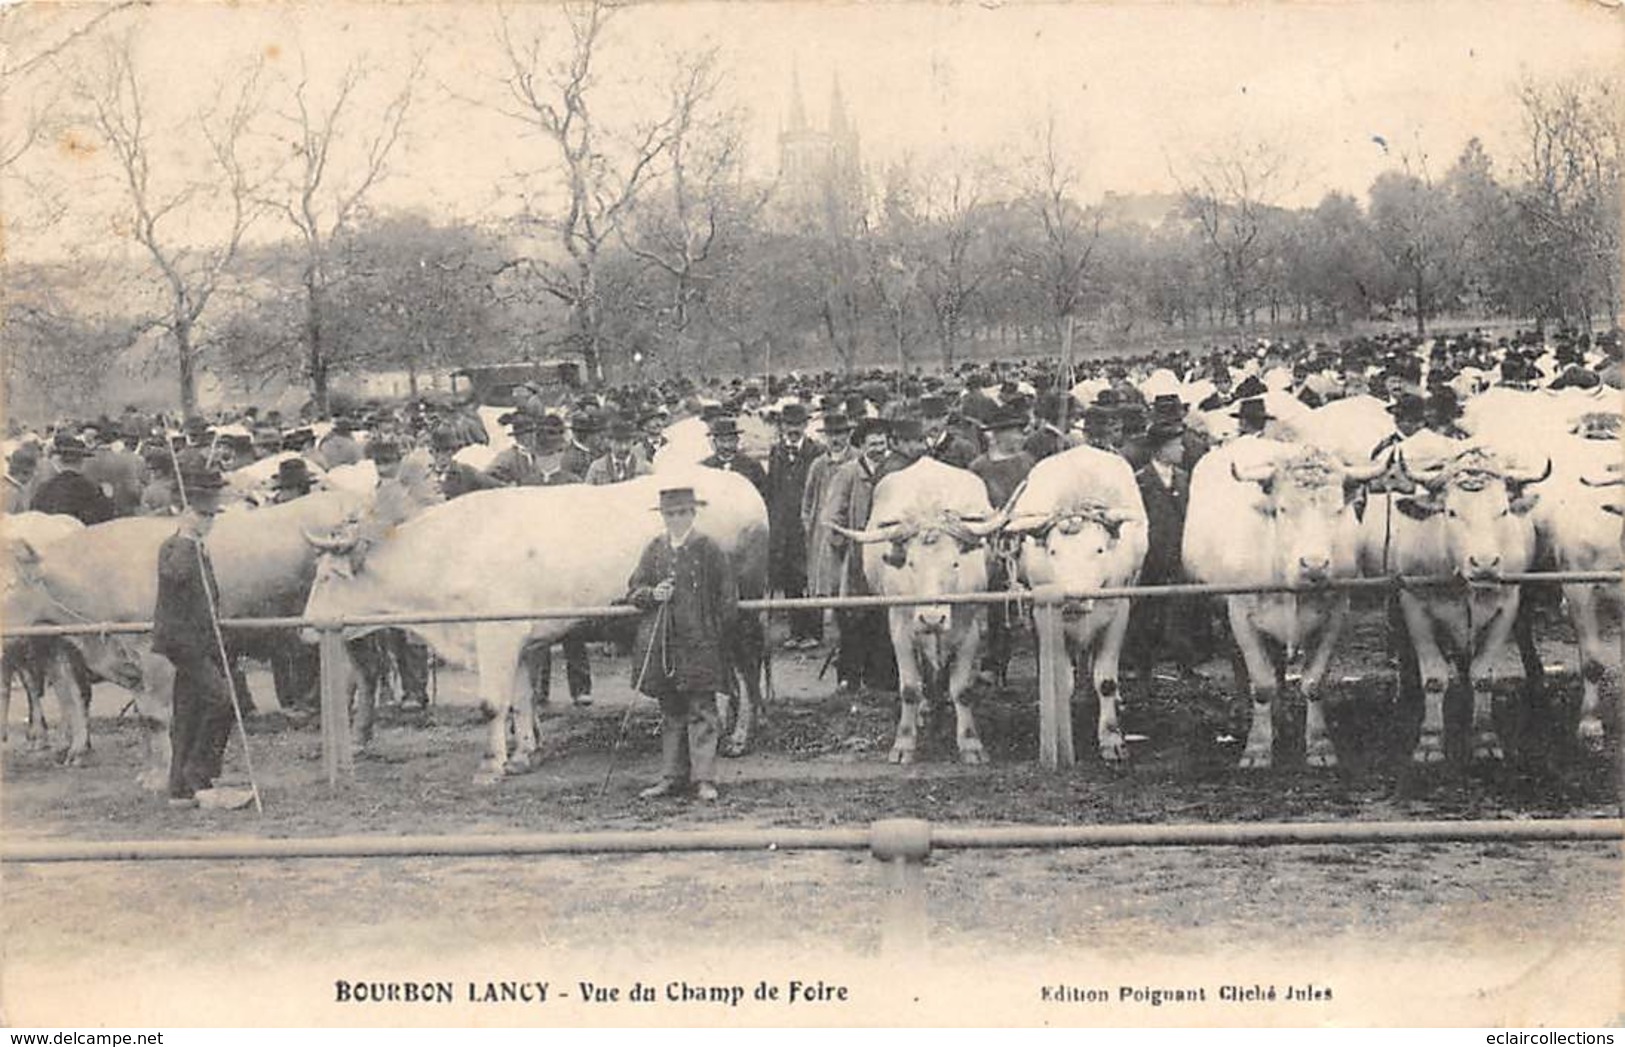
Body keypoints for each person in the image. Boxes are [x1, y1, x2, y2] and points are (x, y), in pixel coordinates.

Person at [625, 486, 739, 803]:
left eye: (682, 513)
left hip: (700, 643)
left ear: (693, 513)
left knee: (702, 709)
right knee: (671, 709)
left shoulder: (709, 548)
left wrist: (713, 636)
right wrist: (652, 594)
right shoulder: (655, 549)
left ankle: (704, 778)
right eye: (670, 514)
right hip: (663, 644)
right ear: (662, 516)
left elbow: (728, 599)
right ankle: (672, 776)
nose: (676, 519)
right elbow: (634, 589)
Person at [151, 455, 236, 808]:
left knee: (188, 711)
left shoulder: (197, 547)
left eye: (213, 515)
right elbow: (176, 576)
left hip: (200, 641)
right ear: (185, 512)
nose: (209, 521)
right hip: (183, 643)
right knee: (222, 701)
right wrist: (187, 534)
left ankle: (179, 789)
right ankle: (199, 775)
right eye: (203, 515)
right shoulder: (176, 546)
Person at [819, 418, 897, 695]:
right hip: (856, 554)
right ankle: (850, 677)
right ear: (862, 446)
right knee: (854, 616)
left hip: (889, 554)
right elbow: (831, 515)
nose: (878, 448)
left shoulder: (896, 470)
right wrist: (843, 544)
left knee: (887, 615)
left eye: (882, 442)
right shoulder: (848, 473)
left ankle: (884, 677)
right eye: (873, 443)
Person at [1128, 418, 1205, 682]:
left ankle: (1186, 665)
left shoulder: (1184, 479)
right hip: (1151, 556)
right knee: (1147, 613)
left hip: (1178, 552)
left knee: (1182, 611)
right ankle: (1143, 668)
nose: (1182, 450)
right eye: (1176, 445)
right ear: (1160, 449)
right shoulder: (1140, 481)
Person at [968, 406, 1035, 684]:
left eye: (1022, 431)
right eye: (1015, 431)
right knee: (998, 605)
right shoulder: (978, 468)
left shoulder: (1029, 462)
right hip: (994, 543)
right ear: (997, 435)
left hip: (1027, 539)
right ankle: (995, 664)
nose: (1021, 437)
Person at [764, 402, 823, 648]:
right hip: (784, 526)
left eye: (798, 424)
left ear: (806, 425)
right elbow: (773, 489)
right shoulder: (776, 452)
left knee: (809, 577)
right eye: (789, 425)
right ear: (782, 426)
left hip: (808, 523)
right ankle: (796, 631)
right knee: (790, 580)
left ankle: (814, 632)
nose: (793, 429)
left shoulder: (816, 452)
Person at [30, 434, 114, 524]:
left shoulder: (43, 489)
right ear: (82, 463)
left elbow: (34, 518)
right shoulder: (92, 490)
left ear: (58, 462)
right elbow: (105, 520)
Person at [700, 415, 767, 493]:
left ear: (737, 440)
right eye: (722, 441)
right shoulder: (706, 466)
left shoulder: (752, 466)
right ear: (714, 442)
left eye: (730, 440)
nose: (726, 445)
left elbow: (763, 495)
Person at [584, 418, 652, 485]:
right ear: (609, 442)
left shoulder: (645, 469)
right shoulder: (597, 468)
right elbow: (587, 493)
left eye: (627, 442)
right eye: (618, 442)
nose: (623, 447)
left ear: (633, 441)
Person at [4, 443, 40, 514]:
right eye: (32, 473)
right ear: (25, 472)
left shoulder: (13, 488)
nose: (32, 478)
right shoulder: (11, 492)